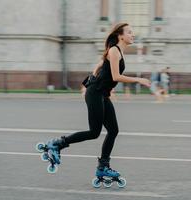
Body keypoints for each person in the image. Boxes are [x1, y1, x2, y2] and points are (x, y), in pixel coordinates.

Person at [41, 23, 151, 177]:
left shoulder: (117, 51)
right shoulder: (114, 51)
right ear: (120, 35)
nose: (133, 35)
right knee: (94, 132)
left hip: (101, 93)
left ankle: (103, 166)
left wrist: (105, 85)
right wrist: (138, 80)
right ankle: (57, 144)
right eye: (130, 32)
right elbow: (116, 76)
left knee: (113, 130)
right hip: (95, 94)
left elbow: (99, 67)